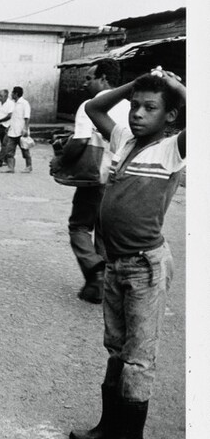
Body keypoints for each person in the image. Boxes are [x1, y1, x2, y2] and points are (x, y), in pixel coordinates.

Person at [68, 68, 185, 439]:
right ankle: (108, 426)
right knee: (116, 349)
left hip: (145, 267)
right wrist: (133, 86)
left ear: (170, 116)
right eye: (135, 106)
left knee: (139, 356)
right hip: (116, 264)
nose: (137, 113)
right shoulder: (123, 139)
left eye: (150, 108)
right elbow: (95, 105)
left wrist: (174, 87)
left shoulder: (172, 149)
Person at [53, 59, 130, 303]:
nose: (85, 84)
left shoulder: (90, 105)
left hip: (96, 177)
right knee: (105, 232)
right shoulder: (129, 107)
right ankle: (100, 286)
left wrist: (59, 163)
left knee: (79, 226)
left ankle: (94, 265)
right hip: (121, 178)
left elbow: (79, 142)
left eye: (89, 78)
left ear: (104, 78)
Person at [0, 86, 32, 173]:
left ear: (16, 94)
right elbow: (13, 117)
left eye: (12, 93)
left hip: (21, 132)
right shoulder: (14, 103)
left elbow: (27, 117)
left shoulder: (24, 103)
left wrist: (25, 129)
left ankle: (29, 166)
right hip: (12, 131)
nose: (11, 94)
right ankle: (11, 167)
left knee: (25, 150)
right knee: (9, 150)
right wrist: (9, 127)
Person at [0, 89, 14, 166]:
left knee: (5, 144)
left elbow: (10, 116)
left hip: (8, 126)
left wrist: (0, 120)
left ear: (6, 96)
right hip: (1, 126)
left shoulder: (11, 103)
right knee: (3, 144)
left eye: (1, 96)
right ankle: (6, 160)